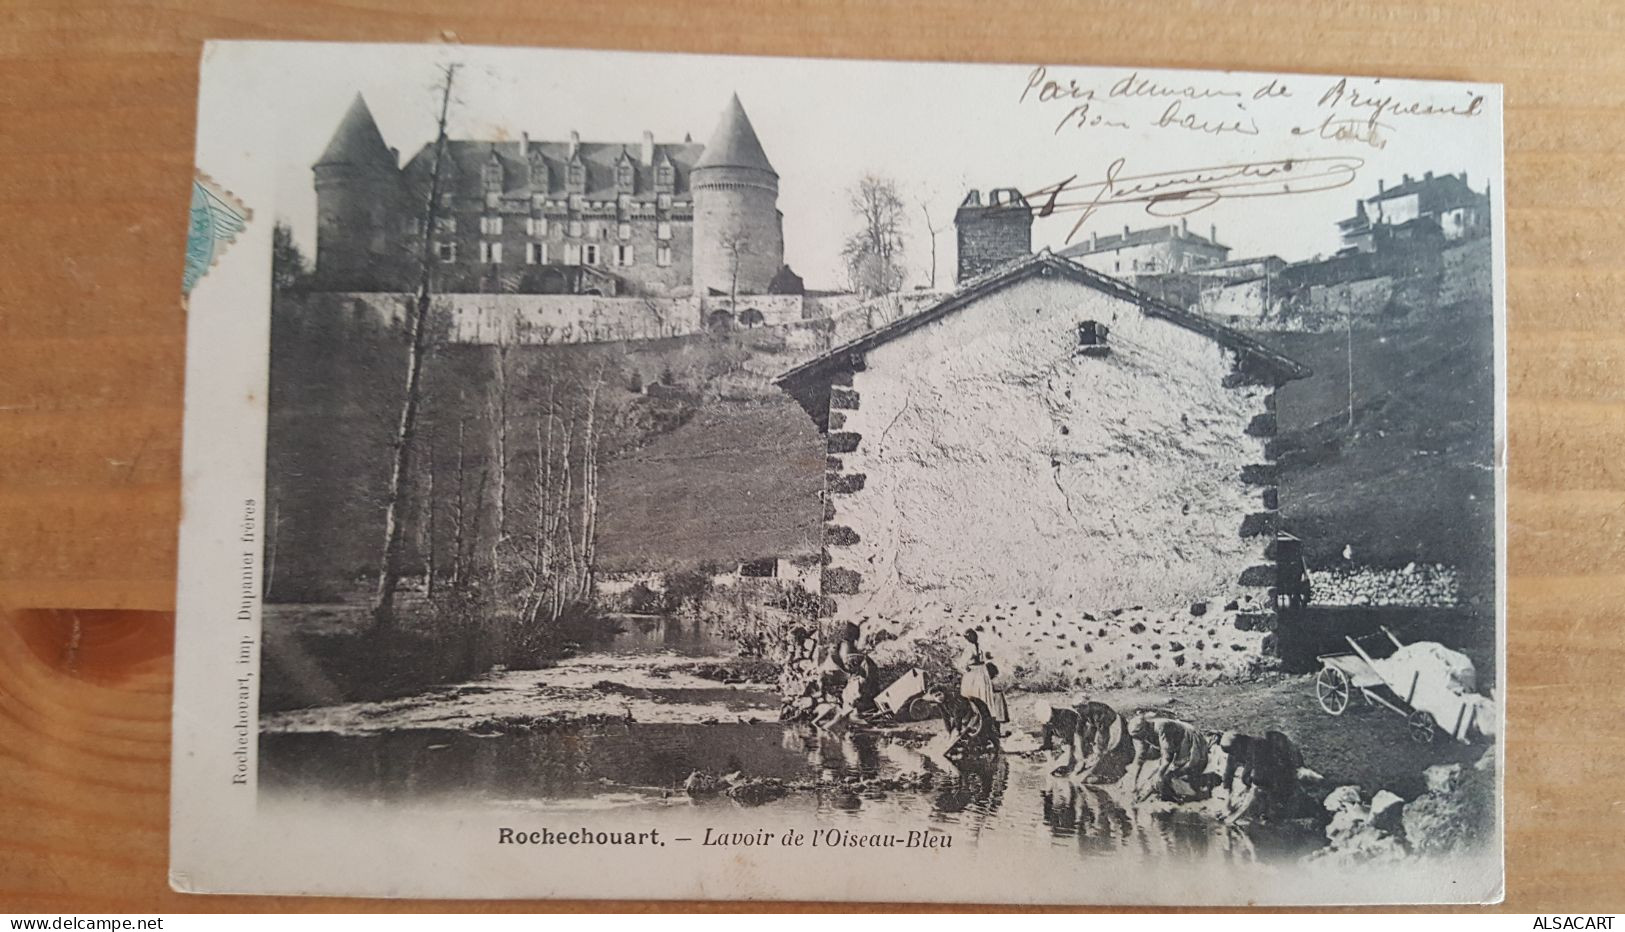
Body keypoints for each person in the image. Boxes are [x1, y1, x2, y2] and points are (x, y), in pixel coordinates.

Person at [1127, 713, 1216, 803]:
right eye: (1137, 737)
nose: (1139, 739)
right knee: (1156, 775)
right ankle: (1165, 789)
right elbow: (1139, 758)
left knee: (1177, 771)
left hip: (1187, 738)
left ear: (1145, 729)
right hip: (1173, 745)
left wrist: (1160, 775)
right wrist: (1134, 784)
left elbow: (1167, 757)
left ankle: (1189, 794)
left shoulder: (1161, 727)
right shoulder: (1141, 736)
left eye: (1140, 736)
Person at [957, 629, 1009, 724]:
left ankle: (982, 716)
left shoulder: (974, 648)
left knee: (978, 694)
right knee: (978, 693)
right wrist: (967, 669)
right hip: (978, 672)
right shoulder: (974, 648)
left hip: (977, 673)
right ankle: (979, 716)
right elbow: (965, 664)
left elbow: (962, 664)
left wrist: (966, 669)